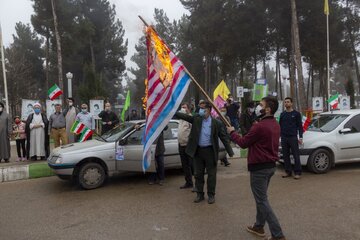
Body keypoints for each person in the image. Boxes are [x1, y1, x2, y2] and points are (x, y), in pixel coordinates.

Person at [227, 96, 286, 240]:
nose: (257, 107)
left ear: (267, 109)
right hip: (269, 167)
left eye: (260, 104)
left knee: (262, 201)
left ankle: (278, 234)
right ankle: (259, 226)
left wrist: (232, 132)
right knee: (262, 199)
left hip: (259, 168)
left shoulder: (259, 126)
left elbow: (243, 142)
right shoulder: (274, 124)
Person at [175, 102, 234, 204]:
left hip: (210, 152)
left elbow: (223, 137)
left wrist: (230, 151)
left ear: (209, 110)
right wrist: (171, 111)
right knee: (198, 174)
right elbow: (183, 116)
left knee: (211, 175)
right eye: (200, 108)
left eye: (203, 109)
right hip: (198, 152)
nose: (201, 110)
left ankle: (211, 195)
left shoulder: (216, 123)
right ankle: (200, 194)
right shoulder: (196, 119)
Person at [279, 97, 303, 180]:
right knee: (285, 156)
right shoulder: (282, 114)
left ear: (291, 103)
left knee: (296, 155)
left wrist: (300, 137)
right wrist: (279, 136)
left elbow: (300, 126)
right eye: (285, 102)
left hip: (293, 137)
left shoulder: (296, 114)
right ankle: (288, 171)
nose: (286, 103)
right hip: (284, 137)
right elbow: (280, 126)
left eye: (288, 102)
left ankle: (297, 172)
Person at [177, 103, 194, 189]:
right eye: (181, 107)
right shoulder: (181, 119)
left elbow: (194, 131)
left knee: (192, 165)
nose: (182, 109)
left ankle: (197, 185)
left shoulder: (190, 118)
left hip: (188, 145)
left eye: (184, 107)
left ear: (188, 109)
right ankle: (188, 182)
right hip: (181, 145)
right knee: (185, 165)